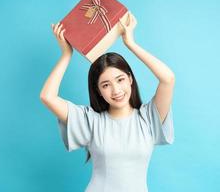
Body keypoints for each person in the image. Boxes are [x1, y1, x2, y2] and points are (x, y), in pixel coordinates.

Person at [40, 12, 175, 192]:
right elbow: (47, 96)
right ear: (98, 91)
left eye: (120, 80)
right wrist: (66, 54)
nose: (116, 90)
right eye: (106, 84)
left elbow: (168, 79)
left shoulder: (148, 117)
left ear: (130, 79)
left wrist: (130, 44)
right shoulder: (91, 120)